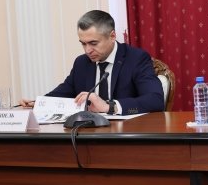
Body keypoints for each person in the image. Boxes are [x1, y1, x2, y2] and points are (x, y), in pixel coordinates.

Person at [20, 10, 164, 114]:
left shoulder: (136, 59)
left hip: (125, 136)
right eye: (83, 43)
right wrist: (39, 103)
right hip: (88, 136)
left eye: (93, 43)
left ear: (112, 36)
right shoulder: (82, 63)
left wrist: (110, 106)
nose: (88, 50)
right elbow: (64, 92)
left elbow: (155, 100)